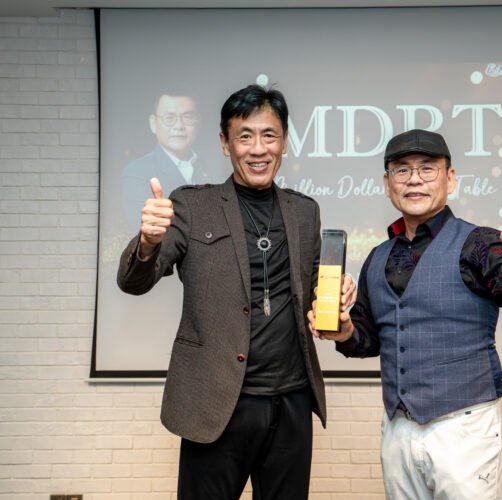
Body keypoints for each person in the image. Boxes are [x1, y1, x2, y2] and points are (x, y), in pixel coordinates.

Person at [117, 84, 355, 500]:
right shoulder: (193, 206)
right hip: (216, 400)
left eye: (269, 135)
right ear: (225, 144)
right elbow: (134, 282)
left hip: (291, 400)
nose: (258, 148)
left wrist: (339, 292)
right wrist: (148, 242)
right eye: (245, 136)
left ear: (284, 141)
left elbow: (313, 286)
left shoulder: (304, 211)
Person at [308, 129, 502, 500]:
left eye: (428, 168)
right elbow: (369, 340)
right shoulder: (377, 257)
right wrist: (345, 331)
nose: (414, 179)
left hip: (465, 428)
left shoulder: (479, 244)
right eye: (402, 170)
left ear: (450, 178)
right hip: (397, 427)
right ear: (387, 183)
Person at [122, 91, 205, 228]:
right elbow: (142, 230)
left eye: (187, 117)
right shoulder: (136, 173)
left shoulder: (214, 165)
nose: (179, 126)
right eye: (169, 118)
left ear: (198, 122)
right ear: (153, 124)